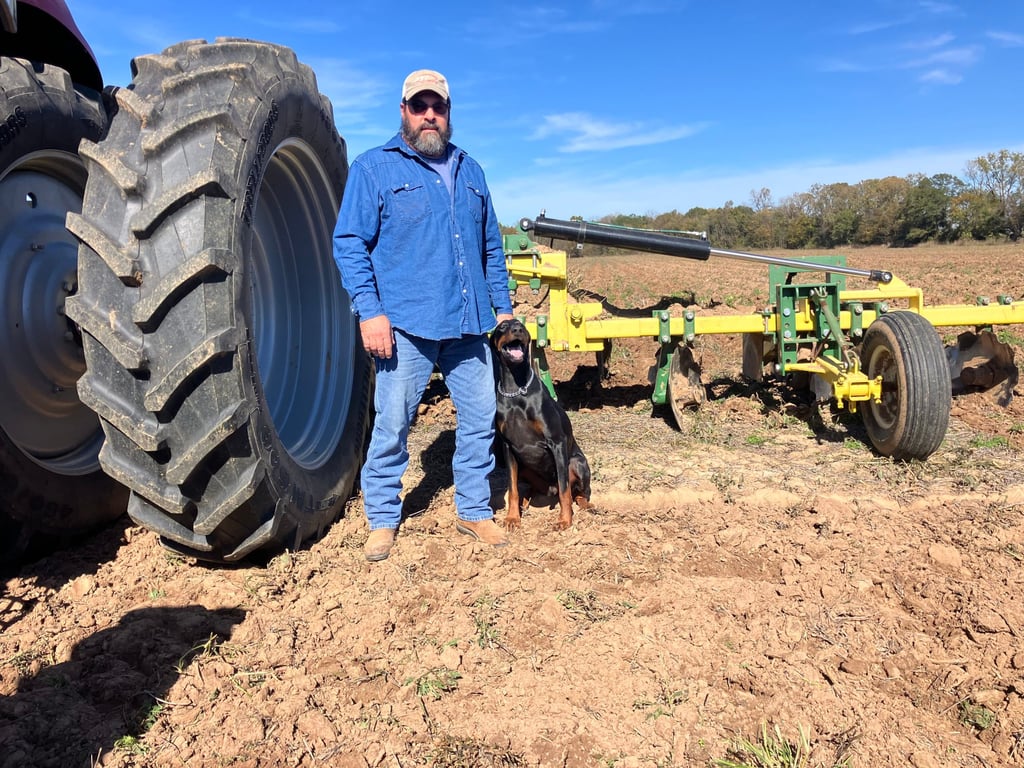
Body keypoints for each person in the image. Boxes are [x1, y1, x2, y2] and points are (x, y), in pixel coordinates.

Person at [333, 69, 515, 562]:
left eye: (438, 106)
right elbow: (350, 243)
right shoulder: (374, 168)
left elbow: (490, 247)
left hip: (469, 322)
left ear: (449, 113)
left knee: (479, 420)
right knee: (393, 422)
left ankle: (474, 510)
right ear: (404, 112)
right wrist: (369, 313)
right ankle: (383, 519)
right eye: (420, 106)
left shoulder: (471, 170)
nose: (429, 114)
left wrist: (503, 309)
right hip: (405, 324)